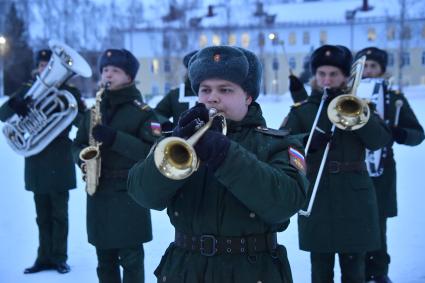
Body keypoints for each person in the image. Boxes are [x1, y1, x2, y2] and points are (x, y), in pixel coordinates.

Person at [128, 45, 309, 282]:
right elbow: (143, 194)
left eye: (225, 89)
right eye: (205, 90)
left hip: (252, 270)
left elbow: (285, 203)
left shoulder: (280, 143)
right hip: (185, 269)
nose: (212, 97)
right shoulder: (177, 141)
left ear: (248, 96)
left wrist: (225, 155)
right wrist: (177, 144)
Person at [280, 45, 392, 283]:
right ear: (315, 76)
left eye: (334, 74)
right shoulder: (302, 111)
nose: (327, 79)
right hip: (317, 196)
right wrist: (306, 142)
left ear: (345, 77)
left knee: (355, 269)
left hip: (355, 197)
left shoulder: (362, 106)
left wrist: (357, 113)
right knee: (320, 269)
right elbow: (282, 147)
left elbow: (379, 141)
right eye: (322, 74)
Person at [72, 48, 160, 283]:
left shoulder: (143, 112)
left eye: (115, 71)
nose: (108, 75)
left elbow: (149, 152)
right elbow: (77, 144)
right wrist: (82, 157)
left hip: (129, 194)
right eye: (105, 70)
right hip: (98, 192)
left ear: (129, 77)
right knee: (104, 261)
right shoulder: (94, 110)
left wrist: (115, 138)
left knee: (131, 260)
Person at [0, 49, 86, 274]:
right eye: (42, 66)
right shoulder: (28, 90)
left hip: (59, 158)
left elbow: (81, 123)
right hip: (36, 159)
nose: (45, 70)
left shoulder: (69, 92)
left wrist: (79, 109)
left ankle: (59, 257)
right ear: (37, 68)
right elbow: (2, 114)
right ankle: (43, 258)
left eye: (49, 66)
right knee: (42, 215)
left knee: (59, 214)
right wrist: (16, 104)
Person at [354, 47, 425, 283]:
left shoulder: (394, 98)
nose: (369, 71)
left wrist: (398, 133)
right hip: (351, 170)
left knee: (377, 223)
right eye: (365, 66)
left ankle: (379, 271)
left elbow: (417, 133)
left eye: (374, 66)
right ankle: (356, 272)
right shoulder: (346, 95)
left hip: (381, 172)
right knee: (352, 222)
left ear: (382, 70)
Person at [154, 50, 198, 131]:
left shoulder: (216, 94)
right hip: (179, 141)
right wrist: (167, 126)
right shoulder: (175, 94)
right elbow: (156, 114)